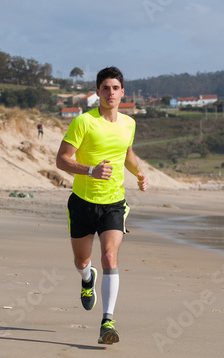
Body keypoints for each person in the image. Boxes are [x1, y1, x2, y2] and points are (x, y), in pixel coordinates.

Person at [56, 66, 148, 345]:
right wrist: (90, 170)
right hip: (83, 203)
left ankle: (107, 321)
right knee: (82, 261)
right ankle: (87, 279)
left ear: (123, 93)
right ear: (97, 92)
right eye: (105, 88)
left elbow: (127, 153)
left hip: (114, 204)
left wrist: (140, 173)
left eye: (115, 88)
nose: (111, 93)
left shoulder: (129, 124)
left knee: (110, 257)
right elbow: (62, 160)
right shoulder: (83, 122)